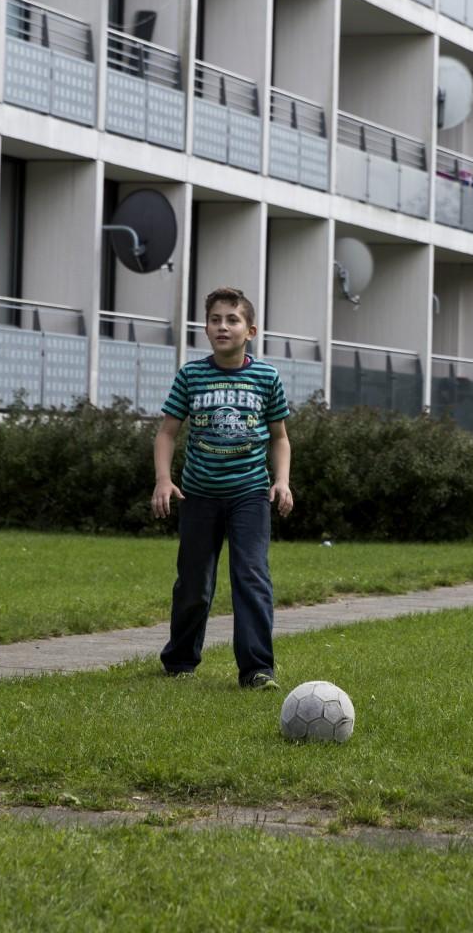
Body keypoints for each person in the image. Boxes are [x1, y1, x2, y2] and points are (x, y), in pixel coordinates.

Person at [152, 286, 293, 688]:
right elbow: (167, 433)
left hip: (250, 493)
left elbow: (280, 436)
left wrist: (281, 481)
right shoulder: (191, 375)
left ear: (250, 330)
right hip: (199, 494)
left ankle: (257, 670)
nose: (222, 326)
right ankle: (179, 660)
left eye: (232, 320)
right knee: (194, 581)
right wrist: (164, 479)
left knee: (251, 576)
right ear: (206, 327)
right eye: (215, 319)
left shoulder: (266, 376)